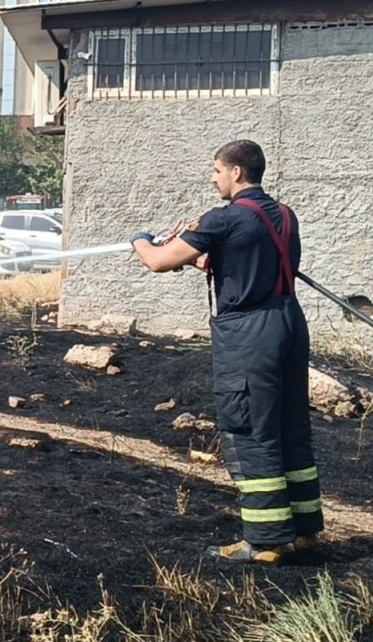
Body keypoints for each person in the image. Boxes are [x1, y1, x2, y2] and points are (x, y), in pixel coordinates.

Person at [130, 139, 321, 565]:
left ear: (236, 172)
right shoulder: (284, 215)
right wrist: (202, 258)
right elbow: (247, 259)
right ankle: (305, 532)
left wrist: (140, 240)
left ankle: (265, 542)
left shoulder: (224, 218)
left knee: (250, 429)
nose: (212, 178)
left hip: (250, 333)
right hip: (289, 322)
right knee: (290, 426)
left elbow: (157, 261)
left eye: (216, 170)